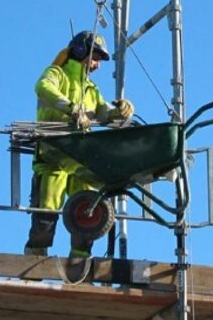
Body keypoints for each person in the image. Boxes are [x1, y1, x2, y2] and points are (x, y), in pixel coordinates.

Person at [24, 30, 135, 259]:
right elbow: (43, 87)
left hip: (80, 158)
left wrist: (122, 111)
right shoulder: (57, 74)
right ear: (81, 50)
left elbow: (104, 113)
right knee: (47, 208)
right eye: (95, 58)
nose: (97, 65)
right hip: (53, 153)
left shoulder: (90, 89)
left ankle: (79, 262)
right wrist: (71, 109)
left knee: (86, 210)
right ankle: (35, 258)